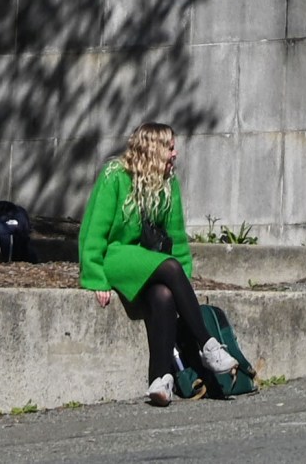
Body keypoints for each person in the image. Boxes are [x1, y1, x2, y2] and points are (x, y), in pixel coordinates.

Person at [77, 122, 246, 404]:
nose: (175, 154)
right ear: (153, 149)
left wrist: (183, 290)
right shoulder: (115, 175)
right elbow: (93, 232)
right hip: (115, 255)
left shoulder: (169, 184)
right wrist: (96, 277)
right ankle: (207, 344)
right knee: (168, 266)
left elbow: (177, 238)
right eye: (170, 148)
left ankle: (159, 380)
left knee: (165, 295)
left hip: (147, 262)